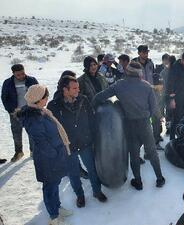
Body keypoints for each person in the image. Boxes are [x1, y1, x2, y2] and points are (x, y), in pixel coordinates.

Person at [93, 61, 165, 190]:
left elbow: (99, 97)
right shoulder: (147, 86)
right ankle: (159, 178)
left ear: (127, 72)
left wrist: (96, 110)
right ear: (140, 74)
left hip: (129, 124)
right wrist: (160, 117)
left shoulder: (119, 85)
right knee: (152, 152)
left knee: (134, 154)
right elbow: (154, 108)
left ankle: (138, 182)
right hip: (144, 124)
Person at [47, 76, 107, 208]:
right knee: (73, 172)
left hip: (85, 142)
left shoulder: (83, 99)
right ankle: (80, 195)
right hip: (68, 146)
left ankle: (97, 191)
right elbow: (51, 128)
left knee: (92, 169)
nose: (78, 90)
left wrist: (94, 136)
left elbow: (92, 119)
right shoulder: (54, 106)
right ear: (65, 89)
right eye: (74, 88)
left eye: (78, 87)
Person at [17, 84, 72, 225]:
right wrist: (54, 153)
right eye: (45, 96)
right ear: (37, 99)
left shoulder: (41, 112)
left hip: (54, 156)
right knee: (49, 187)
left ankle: (57, 207)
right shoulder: (33, 118)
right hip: (47, 159)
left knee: (55, 183)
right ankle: (53, 216)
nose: (47, 98)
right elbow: (41, 142)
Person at [1, 64, 38, 162]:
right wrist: (11, 110)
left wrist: (36, 107)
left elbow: (39, 93)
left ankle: (33, 151)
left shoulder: (32, 80)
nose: (21, 76)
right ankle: (19, 152)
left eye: (22, 73)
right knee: (16, 133)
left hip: (30, 111)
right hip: (15, 112)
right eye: (18, 75)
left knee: (32, 132)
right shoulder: (8, 83)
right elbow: (4, 97)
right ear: (13, 74)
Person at [167, 52, 184, 140]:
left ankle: (178, 136)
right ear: (181, 60)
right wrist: (172, 99)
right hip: (176, 98)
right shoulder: (175, 68)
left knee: (181, 119)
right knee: (176, 119)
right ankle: (172, 138)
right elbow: (170, 85)